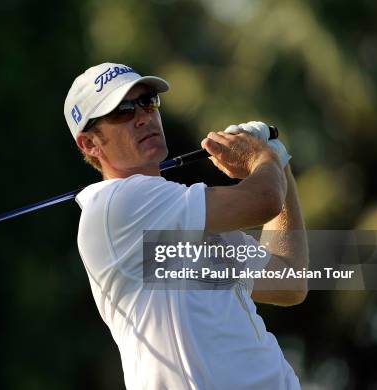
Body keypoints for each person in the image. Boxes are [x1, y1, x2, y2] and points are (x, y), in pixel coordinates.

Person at [64, 62, 309, 389]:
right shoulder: (114, 206)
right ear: (89, 144)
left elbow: (289, 282)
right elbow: (264, 199)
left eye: (147, 101)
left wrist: (280, 164)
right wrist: (261, 159)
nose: (143, 116)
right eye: (121, 111)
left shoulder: (183, 212)